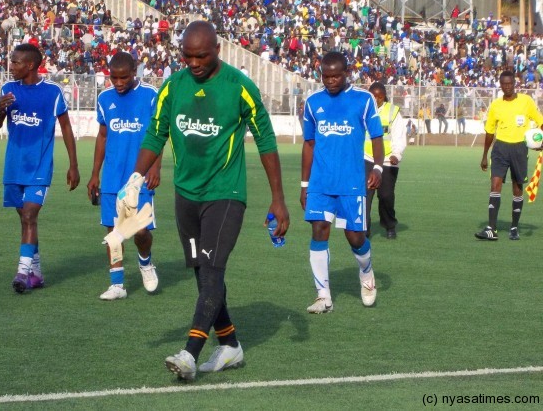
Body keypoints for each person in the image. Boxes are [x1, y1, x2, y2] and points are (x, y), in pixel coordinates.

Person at [121, 21, 289, 380]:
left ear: (217, 50)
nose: (194, 63)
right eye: (187, 56)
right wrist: (135, 179)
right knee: (201, 273)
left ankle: (190, 353)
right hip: (186, 196)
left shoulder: (239, 88)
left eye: (202, 55)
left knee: (212, 271)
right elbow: (156, 133)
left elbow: (266, 141)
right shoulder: (172, 86)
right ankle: (230, 345)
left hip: (225, 195)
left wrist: (278, 199)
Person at [0, 43, 80, 293]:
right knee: (25, 219)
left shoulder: (52, 92)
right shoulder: (8, 89)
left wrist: (73, 165)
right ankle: (37, 274)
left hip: (39, 167)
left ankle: (22, 273)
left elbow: (66, 128)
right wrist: (0, 109)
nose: (11, 65)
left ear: (30, 65)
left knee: (30, 215)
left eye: (16, 62)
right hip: (14, 167)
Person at [300, 51, 384, 314]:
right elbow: (309, 144)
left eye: (336, 75)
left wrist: (378, 167)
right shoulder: (313, 103)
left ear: (346, 73)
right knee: (319, 230)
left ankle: (366, 272)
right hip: (321, 182)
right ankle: (323, 296)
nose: (331, 80)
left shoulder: (363, 100)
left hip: (351, 183)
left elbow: (377, 137)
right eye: (326, 76)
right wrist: (304, 185)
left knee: (355, 237)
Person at [87, 52, 161, 300]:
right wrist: (94, 174)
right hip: (111, 176)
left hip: (139, 177)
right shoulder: (104, 98)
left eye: (124, 77)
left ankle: (145, 262)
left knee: (139, 231)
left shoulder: (150, 95)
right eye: (114, 77)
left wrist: (155, 167)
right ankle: (117, 283)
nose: (118, 83)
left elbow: (158, 133)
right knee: (114, 232)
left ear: (134, 72)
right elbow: (103, 136)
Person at [475, 70, 543, 241]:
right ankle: (491, 229)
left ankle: (514, 227)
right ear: (500, 85)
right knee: (495, 184)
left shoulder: (526, 102)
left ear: (514, 84)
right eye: (504, 84)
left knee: (517, 188)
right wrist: (485, 155)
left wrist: (540, 142)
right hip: (500, 149)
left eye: (510, 83)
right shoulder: (496, 105)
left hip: (519, 148)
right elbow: (490, 131)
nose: (507, 87)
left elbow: (540, 121)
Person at [364, 82, 407, 239]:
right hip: (366, 158)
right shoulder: (362, 110)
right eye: (373, 95)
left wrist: (396, 154)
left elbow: (399, 136)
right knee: (365, 195)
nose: (376, 99)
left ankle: (389, 225)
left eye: (379, 96)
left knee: (386, 196)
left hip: (388, 160)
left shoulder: (392, 112)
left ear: (384, 97)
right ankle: (364, 229)